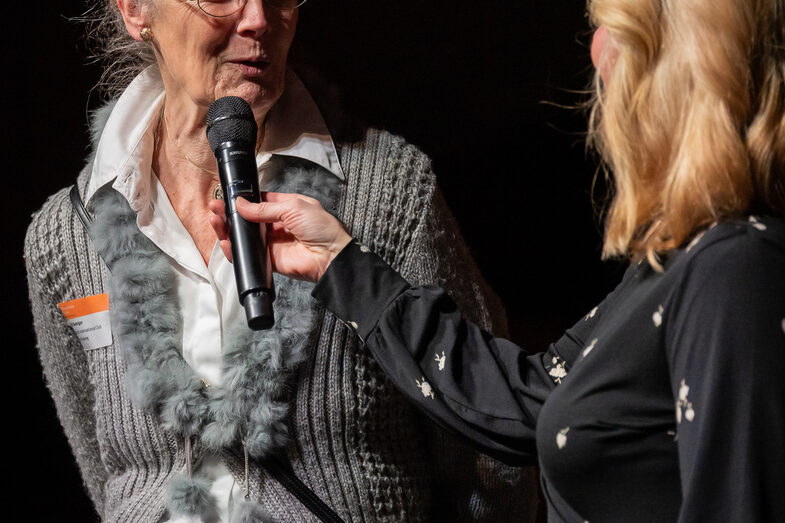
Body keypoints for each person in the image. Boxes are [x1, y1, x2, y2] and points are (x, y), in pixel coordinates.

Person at [209, 0, 785, 521]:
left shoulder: (735, 268)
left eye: (608, 28)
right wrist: (338, 262)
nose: (596, 50)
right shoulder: (688, 261)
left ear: (682, 67)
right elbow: (531, 400)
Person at [24, 0, 537, 521]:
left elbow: (489, 456)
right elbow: (106, 475)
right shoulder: (66, 237)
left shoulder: (389, 195)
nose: (259, 20)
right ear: (137, 11)